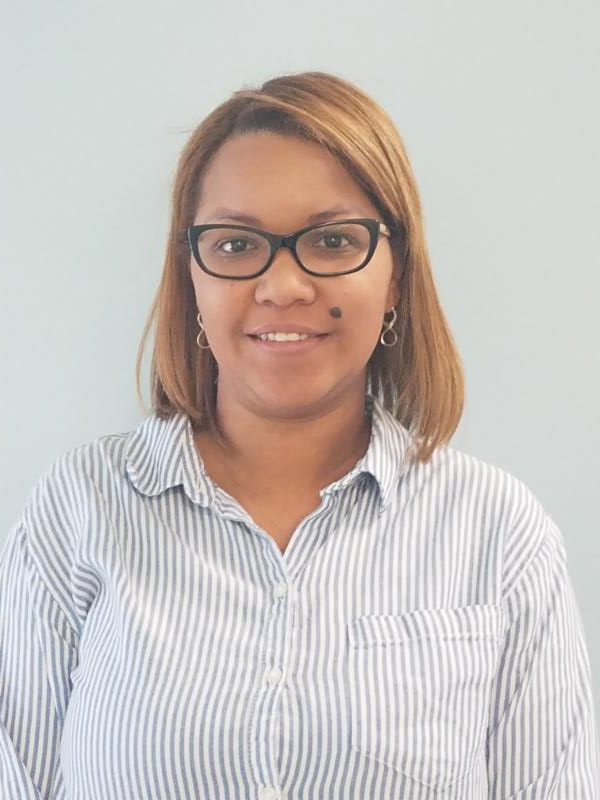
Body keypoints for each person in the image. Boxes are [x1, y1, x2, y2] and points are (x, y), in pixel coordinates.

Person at [1, 70, 598, 800]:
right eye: (235, 244)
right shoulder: (79, 509)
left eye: (333, 239)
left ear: (396, 275)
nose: (283, 287)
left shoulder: (499, 533)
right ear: (192, 278)